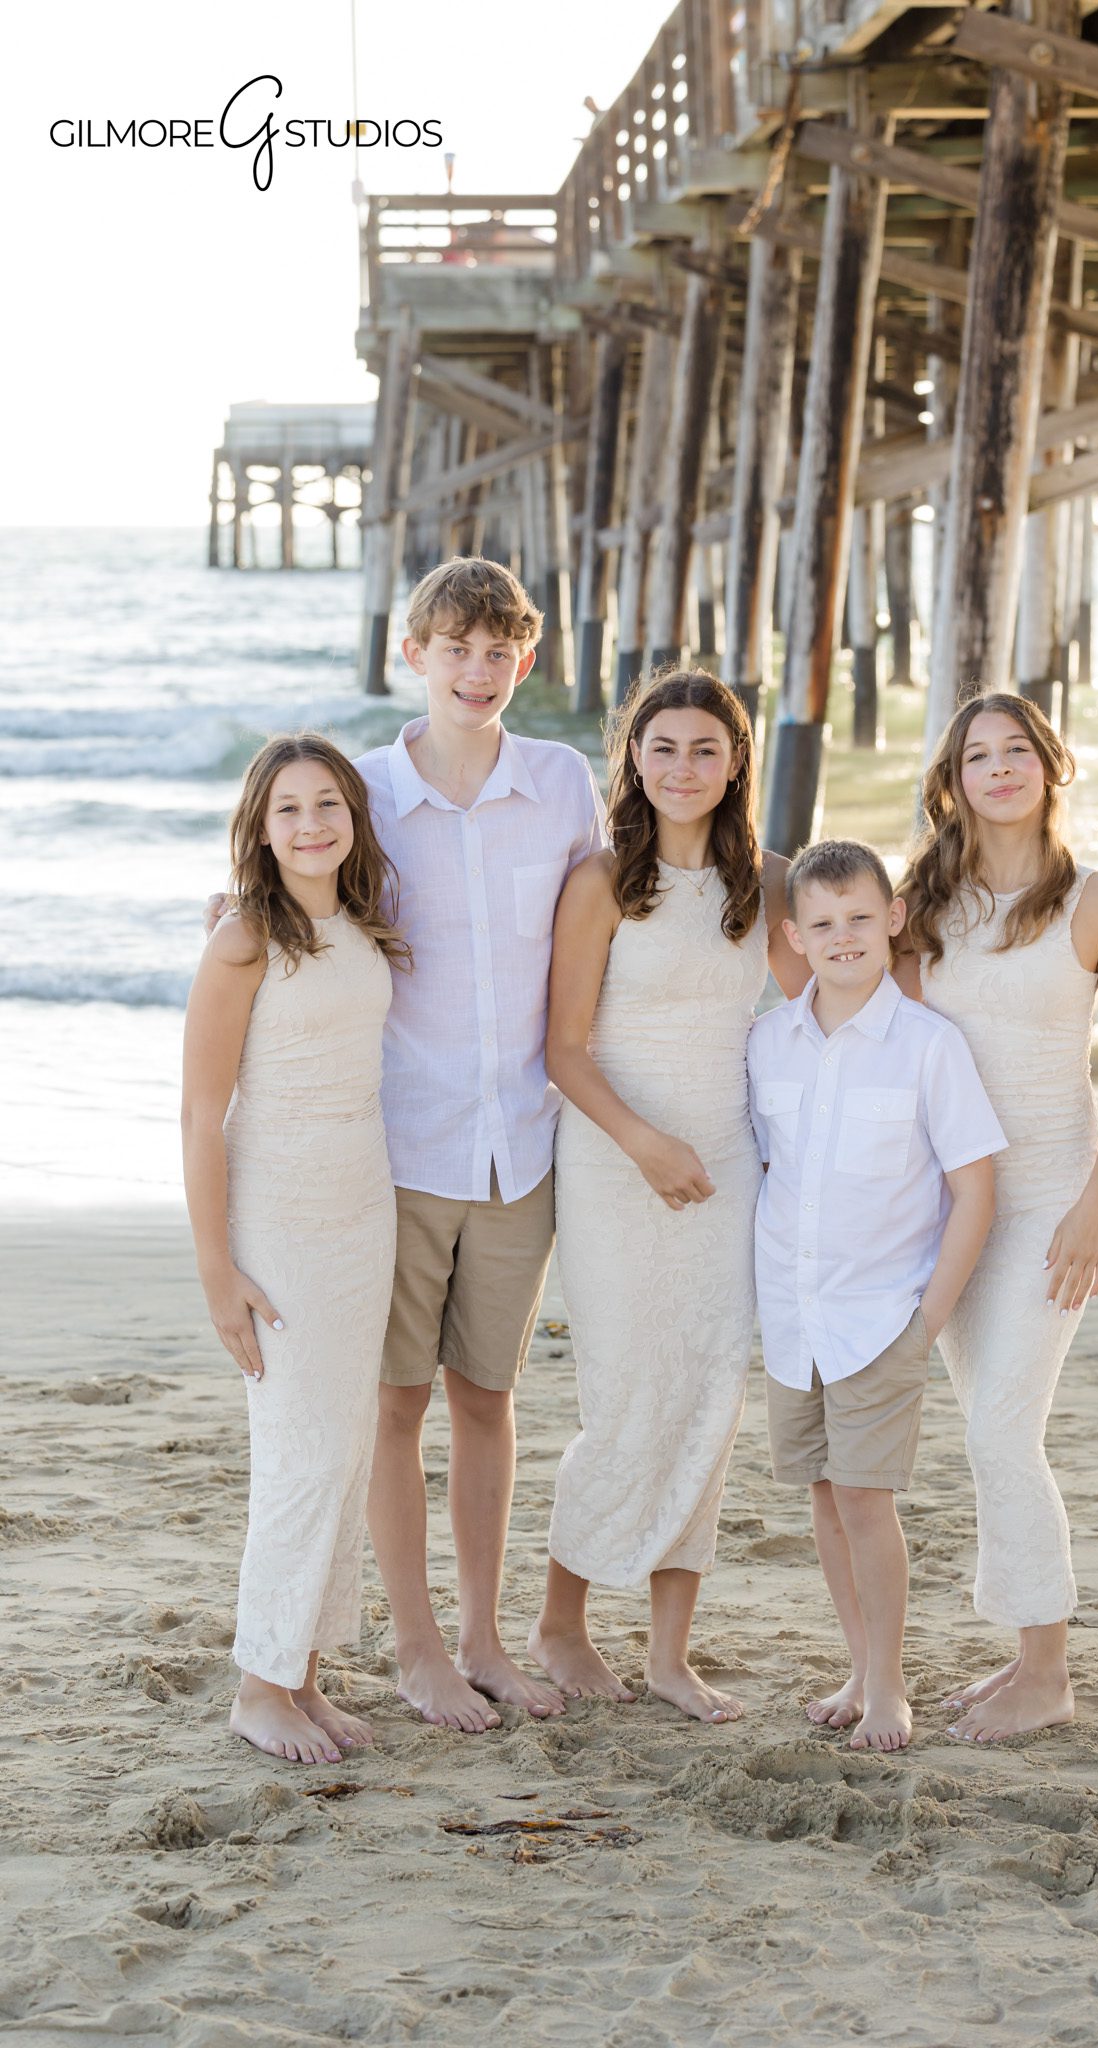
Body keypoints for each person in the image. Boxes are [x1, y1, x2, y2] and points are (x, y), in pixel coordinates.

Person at [527, 670, 809, 1722]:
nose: (683, 766)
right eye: (663, 747)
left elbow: (839, 980)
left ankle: (670, 1656)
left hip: (728, 1165)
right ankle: (560, 1621)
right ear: (632, 760)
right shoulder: (602, 880)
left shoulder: (769, 882)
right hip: (614, 1157)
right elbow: (561, 1046)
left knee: (708, 1397)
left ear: (737, 760)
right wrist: (645, 1142)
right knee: (625, 1396)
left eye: (705, 748)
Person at [356, 557, 606, 1733]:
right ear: (414, 654)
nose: (477, 668)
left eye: (499, 649)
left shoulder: (562, 783)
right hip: (402, 1146)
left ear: (528, 657)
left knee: (488, 1397)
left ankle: (485, 1639)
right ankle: (414, 1649)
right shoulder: (359, 794)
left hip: (524, 1144)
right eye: (455, 647)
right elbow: (283, 900)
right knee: (397, 1403)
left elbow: (636, 904)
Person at [895, 692, 1098, 1743]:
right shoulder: (925, 900)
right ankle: (1022, 1652)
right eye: (977, 755)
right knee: (989, 1425)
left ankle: (1047, 1669)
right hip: (952, 1201)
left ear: (1050, 764)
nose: (999, 769)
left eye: (1017, 751)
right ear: (953, 779)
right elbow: (884, 1036)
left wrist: (1097, 1205)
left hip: (1051, 1196)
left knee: (1006, 1423)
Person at [182, 733, 410, 1764]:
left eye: (329, 804)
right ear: (260, 827)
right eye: (289, 809)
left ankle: (303, 1674)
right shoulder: (241, 938)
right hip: (279, 1215)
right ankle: (258, 1684)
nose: (312, 823)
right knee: (301, 1452)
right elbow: (198, 1112)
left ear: (353, 817)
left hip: (363, 1206)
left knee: (343, 1444)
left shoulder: (359, 925)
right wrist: (218, 1271)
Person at [748, 840, 1004, 1752]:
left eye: (860, 917)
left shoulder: (927, 1047)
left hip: (879, 1314)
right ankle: (858, 1667)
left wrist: (926, 1317)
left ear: (894, 920)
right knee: (822, 1494)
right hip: (793, 1313)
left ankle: (889, 1684)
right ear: (793, 935)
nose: (842, 936)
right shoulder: (769, 1041)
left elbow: (975, 1187)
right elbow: (772, 1167)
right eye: (821, 923)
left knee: (865, 1498)